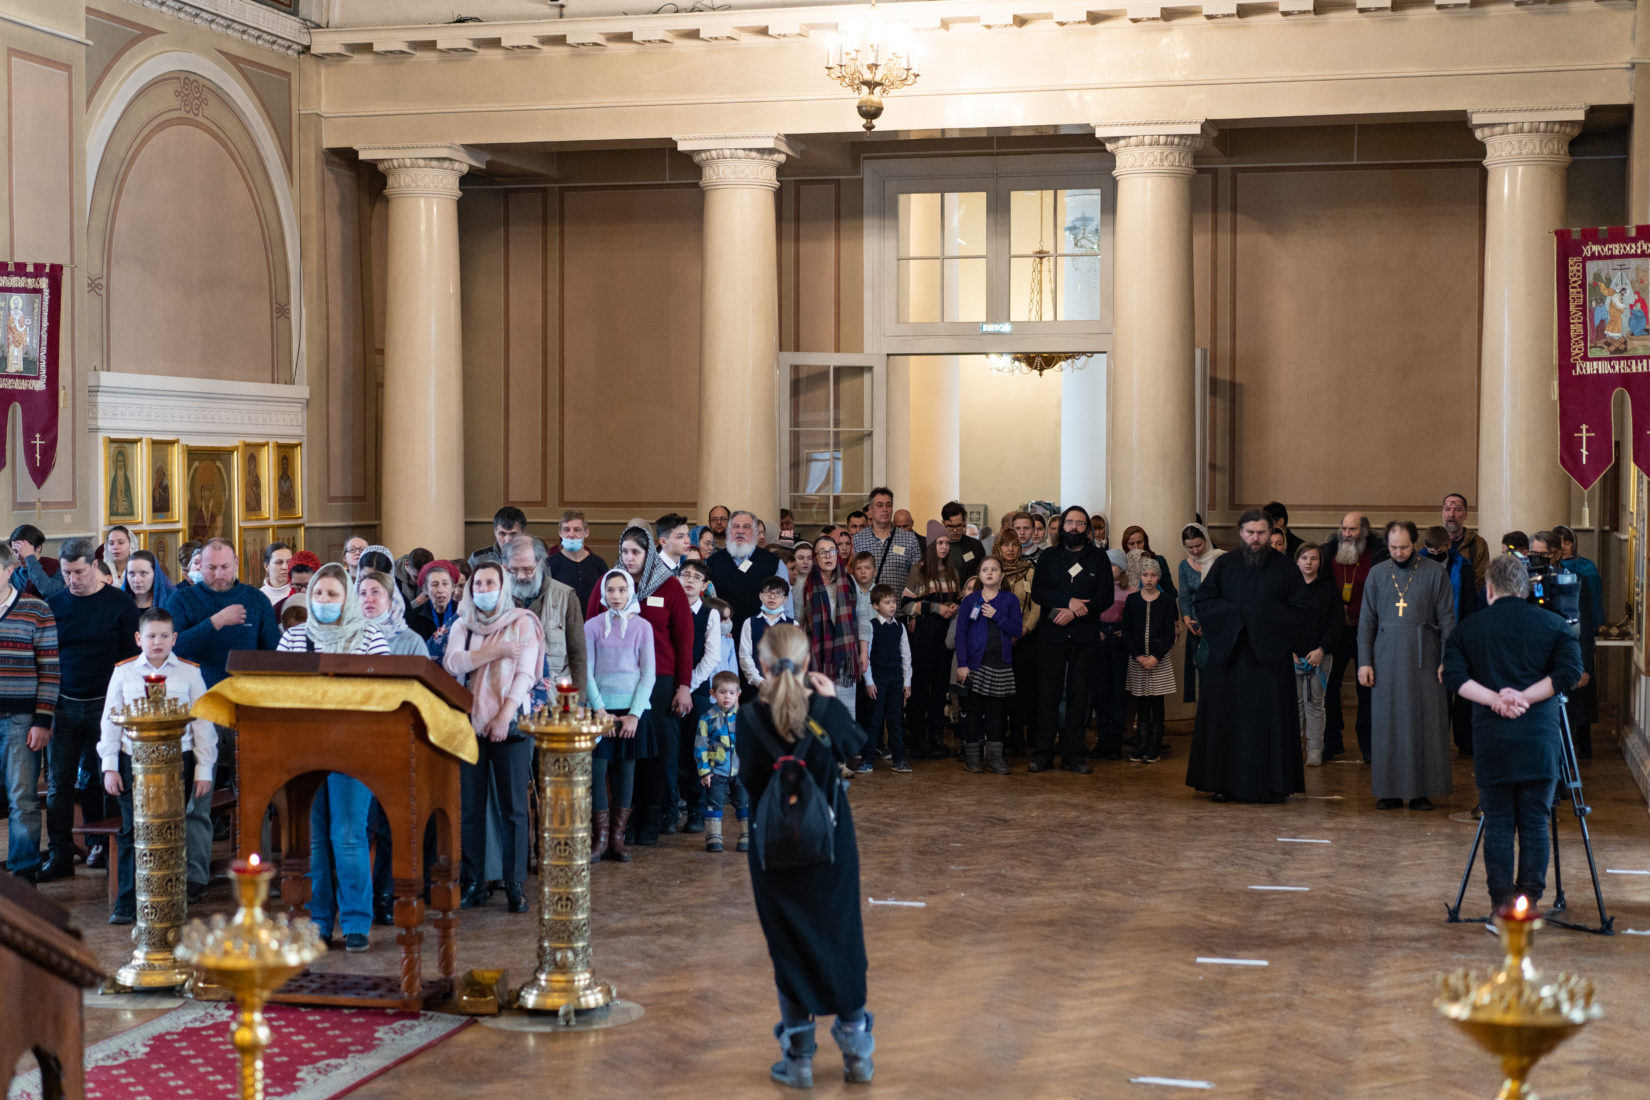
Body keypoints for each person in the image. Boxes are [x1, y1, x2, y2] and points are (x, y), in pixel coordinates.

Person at [736, 623, 874, 1089]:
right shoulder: (824, 708)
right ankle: (857, 1055)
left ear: (763, 664)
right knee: (843, 937)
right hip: (830, 844)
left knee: (788, 945)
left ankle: (798, 1060)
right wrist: (831, 701)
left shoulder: (749, 717)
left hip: (774, 848)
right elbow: (856, 747)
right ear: (808, 662)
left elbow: (751, 781)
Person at [1443, 554, 1585, 911]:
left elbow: (1453, 677)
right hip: (1539, 741)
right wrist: (1525, 697)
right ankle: (1529, 903)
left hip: (1493, 741)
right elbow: (1571, 671)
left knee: (1499, 825)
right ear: (1525, 589)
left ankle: (1502, 906)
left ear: (1489, 590)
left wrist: (1496, 699)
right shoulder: (1554, 625)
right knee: (1536, 824)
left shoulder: (1469, 629)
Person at [276, 563, 391, 951]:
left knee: (348, 835)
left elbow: (383, 690)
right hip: (304, 750)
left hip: (353, 747)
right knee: (314, 840)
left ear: (347, 600)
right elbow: (276, 688)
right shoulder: (293, 637)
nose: (324, 600)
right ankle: (319, 922)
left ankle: (356, 921)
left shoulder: (370, 635)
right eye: (319, 594)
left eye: (333, 594)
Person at [1185, 509, 1311, 803]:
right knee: (1226, 722)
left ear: (1271, 533)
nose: (1255, 538)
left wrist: (1258, 617)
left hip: (1270, 662)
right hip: (1230, 659)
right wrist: (1239, 616)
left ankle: (1273, 786)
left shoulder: (1286, 568)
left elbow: (1301, 611)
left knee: (1270, 724)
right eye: (1250, 532)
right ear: (1241, 533)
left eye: (1261, 533)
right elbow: (1204, 602)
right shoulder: (1225, 565)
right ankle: (1223, 784)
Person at [98, 608, 215, 920]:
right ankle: (128, 900)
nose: (158, 642)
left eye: (164, 636)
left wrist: (204, 768)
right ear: (139, 638)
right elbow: (110, 720)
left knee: (172, 828)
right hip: (133, 760)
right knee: (132, 828)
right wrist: (110, 765)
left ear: (174, 638)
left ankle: (168, 896)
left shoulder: (189, 672)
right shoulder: (124, 672)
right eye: (151, 636)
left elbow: (203, 723)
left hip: (178, 760)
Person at [442, 561, 544, 910]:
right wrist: (496, 651)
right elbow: (453, 664)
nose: (483, 590)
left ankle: (514, 883)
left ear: (503, 588)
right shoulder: (463, 623)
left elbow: (525, 674)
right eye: (478, 584)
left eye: (490, 584)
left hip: (510, 724)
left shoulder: (522, 621)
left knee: (513, 809)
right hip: (469, 723)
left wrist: (503, 716)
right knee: (470, 808)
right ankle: (474, 882)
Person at [38, 538, 140, 882]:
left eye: (79, 572)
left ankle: (105, 848)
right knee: (59, 784)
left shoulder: (120, 603)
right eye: (66, 573)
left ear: (94, 566)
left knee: (106, 778)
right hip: (64, 704)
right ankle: (60, 854)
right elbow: (46, 658)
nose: (72, 579)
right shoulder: (54, 605)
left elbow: (131, 660)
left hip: (106, 705)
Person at [595, 526, 692, 846]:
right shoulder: (609, 583)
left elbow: (684, 639)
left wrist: (684, 685)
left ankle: (652, 818)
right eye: (624, 551)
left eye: (636, 552)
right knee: (623, 753)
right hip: (616, 680)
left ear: (649, 554)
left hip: (659, 680)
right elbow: (592, 625)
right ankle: (623, 822)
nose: (629, 557)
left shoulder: (669, 585)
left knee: (656, 751)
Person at [1358, 521, 1456, 811]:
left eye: (1403, 547)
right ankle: (1388, 790)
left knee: (1423, 722)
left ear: (1415, 544)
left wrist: (1447, 659)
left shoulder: (1435, 572)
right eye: (1393, 547)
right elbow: (1366, 622)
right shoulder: (1377, 574)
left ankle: (1420, 792)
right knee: (1387, 723)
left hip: (1425, 656)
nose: (1398, 552)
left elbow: (1448, 619)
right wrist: (1364, 662)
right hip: (1385, 659)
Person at [1029, 506, 1112, 774]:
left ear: (1087, 528)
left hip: (1084, 636)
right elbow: (1039, 591)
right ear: (1062, 525)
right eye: (1070, 522)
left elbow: (1106, 596)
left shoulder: (1098, 558)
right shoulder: (1048, 556)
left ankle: (1073, 755)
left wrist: (1075, 611)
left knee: (1079, 696)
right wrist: (1069, 602)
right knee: (1047, 695)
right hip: (1051, 635)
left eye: (1080, 523)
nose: (1074, 527)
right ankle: (1043, 754)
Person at [584, 568, 657, 864]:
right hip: (600, 709)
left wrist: (635, 714)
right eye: (611, 590)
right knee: (596, 770)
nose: (616, 595)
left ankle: (617, 838)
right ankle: (600, 838)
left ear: (630, 592)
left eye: (622, 590)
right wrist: (599, 709)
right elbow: (586, 671)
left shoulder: (642, 627)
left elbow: (648, 674)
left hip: (632, 710)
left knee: (626, 772)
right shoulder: (591, 626)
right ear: (604, 593)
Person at [0, 542, 57, 884]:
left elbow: (50, 669)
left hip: (20, 720)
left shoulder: (36, 609)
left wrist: (42, 720)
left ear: (9, 570)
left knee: (22, 798)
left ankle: (23, 876)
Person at [1322, 512, 1385, 761]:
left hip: (1367, 631)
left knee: (1367, 688)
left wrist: (1355, 612)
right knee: (1329, 686)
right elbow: (1323, 590)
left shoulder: (1378, 555)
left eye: (1353, 529)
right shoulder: (1328, 553)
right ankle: (1331, 741)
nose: (1347, 534)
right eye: (1344, 528)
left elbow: (1381, 593)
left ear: (1364, 531)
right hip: (1335, 631)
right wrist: (1340, 614)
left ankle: (1369, 747)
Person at [954, 554, 1022, 775]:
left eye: (994, 569)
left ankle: (995, 759)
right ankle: (973, 758)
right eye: (985, 570)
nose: (990, 573)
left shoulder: (1009, 600)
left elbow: (1017, 630)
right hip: (975, 665)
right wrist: (962, 664)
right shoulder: (969, 601)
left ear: (1001, 575)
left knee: (996, 713)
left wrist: (996, 615)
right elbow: (961, 634)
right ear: (979, 575)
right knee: (973, 711)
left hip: (1000, 664)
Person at [1533, 530, 1597, 760]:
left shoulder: (1573, 581)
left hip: (1561, 662)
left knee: (1562, 723)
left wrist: (1584, 667)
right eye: (1534, 554)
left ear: (1557, 554)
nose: (1538, 560)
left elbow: (1584, 627)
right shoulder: (1522, 582)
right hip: (1532, 664)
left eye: (1544, 555)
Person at [900, 521, 960, 761]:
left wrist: (954, 607)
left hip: (946, 636)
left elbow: (957, 599)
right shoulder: (919, 570)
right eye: (940, 543)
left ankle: (936, 739)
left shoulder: (953, 571)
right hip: (925, 635)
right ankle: (918, 741)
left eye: (947, 543)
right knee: (921, 688)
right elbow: (906, 605)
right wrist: (935, 608)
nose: (944, 547)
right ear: (931, 545)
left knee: (940, 689)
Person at [676, 559, 723, 834]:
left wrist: (688, 685)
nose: (690, 580)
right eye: (685, 575)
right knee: (672, 749)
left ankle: (697, 808)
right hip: (670, 687)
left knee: (697, 748)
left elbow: (712, 656)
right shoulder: (670, 606)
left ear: (704, 585)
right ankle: (671, 806)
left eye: (696, 577)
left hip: (698, 688)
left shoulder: (709, 613)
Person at [706, 510, 793, 642]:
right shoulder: (713, 562)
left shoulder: (773, 563)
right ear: (729, 531)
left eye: (746, 527)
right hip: (723, 639)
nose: (740, 531)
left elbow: (786, 606)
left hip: (764, 640)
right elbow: (707, 604)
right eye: (736, 526)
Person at [1122, 557, 1177, 764]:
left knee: (1157, 701)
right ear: (1140, 576)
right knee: (1142, 701)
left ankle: (1155, 745)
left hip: (1158, 660)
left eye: (1153, 575)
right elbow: (1126, 631)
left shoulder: (1167, 601)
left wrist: (1155, 657)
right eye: (1145, 575)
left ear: (1158, 577)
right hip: (1138, 659)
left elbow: (1169, 633)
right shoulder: (1132, 600)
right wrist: (1138, 655)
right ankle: (1142, 744)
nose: (1149, 579)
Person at [801, 533, 861, 719]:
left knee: (845, 715)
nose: (828, 556)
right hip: (817, 658)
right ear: (815, 557)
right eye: (822, 552)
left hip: (845, 657)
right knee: (821, 715)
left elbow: (862, 618)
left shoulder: (850, 582)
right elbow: (798, 624)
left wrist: (864, 653)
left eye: (832, 551)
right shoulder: (805, 585)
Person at [1294, 543, 1342, 767]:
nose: (1309, 562)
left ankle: (1314, 749)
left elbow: (1336, 624)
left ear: (1320, 563)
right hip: (1293, 656)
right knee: (1295, 704)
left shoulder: (1329, 588)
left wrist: (1321, 650)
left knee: (1315, 703)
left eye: (1314, 558)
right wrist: (1290, 651)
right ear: (1297, 561)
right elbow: (1282, 622)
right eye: (1304, 558)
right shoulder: (1289, 588)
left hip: (1320, 655)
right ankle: (1293, 749)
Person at [994, 534, 1039, 757]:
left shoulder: (1029, 571)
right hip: (997, 638)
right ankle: (999, 738)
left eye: (1014, 545)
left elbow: (1036, 605)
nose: (1010, 549)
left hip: (1024, 639)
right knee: (999, 692)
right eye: (1005, 544)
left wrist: (1024, 629)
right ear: (998, 547)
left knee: (1021, 692)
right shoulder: (992, 570)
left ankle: (1019, 739)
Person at [694, 670, 749, 853]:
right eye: (722, 692)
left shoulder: (743, 717)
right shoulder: (707, 718)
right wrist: (704, 771)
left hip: (740, 771)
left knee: (743, 802)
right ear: (713, 693)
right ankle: (714, 836)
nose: (727, 696)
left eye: (731, 693)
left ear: (738, 694)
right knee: (714, 803)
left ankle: (747, 834)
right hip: (716, 772)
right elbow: (700, 746)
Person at [859, 584, 911, 773]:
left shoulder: (900, 627)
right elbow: (866, 657)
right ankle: (867, 760)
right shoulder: (871, 626)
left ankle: (900, 760)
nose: (892, 606)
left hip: (896, 680)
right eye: (887, 602)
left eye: (894, 602)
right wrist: (869, 682)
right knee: (874, 720)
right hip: (877, 680)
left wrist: (907, 682)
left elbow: (906, 655)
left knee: (896, 720)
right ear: (875, 605)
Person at [1177, 523, 1223, 706]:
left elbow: (1226, 594)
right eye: (1190, 547)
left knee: (1218, 673)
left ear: (1206, 540)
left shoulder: (1220, 559)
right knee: (1199, 671)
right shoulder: (1184, 565)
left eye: (1198, 545)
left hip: (1217, 624)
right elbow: (1184, 596)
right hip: (1195, 626)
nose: (1195, 550)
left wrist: (1211, 622)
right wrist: (1187, 620)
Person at [852, 488, 922, 593]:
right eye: (880, 505)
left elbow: (918, 577)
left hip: (899, 602)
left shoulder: (909, 539)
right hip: (866, 602)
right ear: (871, 509)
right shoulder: (857, 540)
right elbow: (851, 575)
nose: (885, 509)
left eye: (888, 505)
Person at [739, 576, 796, 690]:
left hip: (784, 686)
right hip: (755, 686)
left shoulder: (793, 625)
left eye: (778, 593)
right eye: (768, 592)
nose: (772, 596)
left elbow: (796, 656)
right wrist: (758, 681)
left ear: (785, 599)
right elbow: (744, 655)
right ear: (760, 596)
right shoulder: (750, 622)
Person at [358, 570, 429, 657]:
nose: (368, 599)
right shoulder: (349, 637)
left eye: (375, 592)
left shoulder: (412, 642)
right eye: (363, 593)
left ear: (391, 600)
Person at [1441, 492, 1491, 599]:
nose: (1451, 514)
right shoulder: (1429, 542)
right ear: (1442, 513)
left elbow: (1480, 580)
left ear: (1465, 514)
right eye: (1447, 509)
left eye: (1457, 510)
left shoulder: (1478, 544)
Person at [408, 559, 461, 656]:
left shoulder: (462, 614)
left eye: (445, 584)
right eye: (434, 585)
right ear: (425, 589)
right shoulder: (415, 617)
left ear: (453, 587)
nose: (440, 590)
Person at [1118, 526, 1177, 603]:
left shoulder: (1158, 560)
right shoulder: (1122, 564)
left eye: (1139, 542)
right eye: (1131, 544)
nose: (1136, 547)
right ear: (1125, 545)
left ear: (1145, 542)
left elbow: (1169, 591)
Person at [941, 501, 987, 585]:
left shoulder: (975, 546)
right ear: (943, 523)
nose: (955, 530)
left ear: (964, 523)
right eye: (950, 526)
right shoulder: (933, 546)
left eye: (958, 526)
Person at [10, 523, 61, 598]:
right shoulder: (14, 574)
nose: (18, 557)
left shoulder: (55, 567)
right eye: (15, 551)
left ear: (38, 548)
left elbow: (49, 592)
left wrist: (29, 558)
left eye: (24, 550)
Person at [469, 506, 527, 571]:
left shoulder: (534, 558)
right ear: (495, 532)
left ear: (523, 533)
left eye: (513, 534)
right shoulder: (477, 560)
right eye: (502, 534)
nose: (507, 540)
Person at [104, 526, 135, 591]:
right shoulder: (102, 571)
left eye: (120, 543)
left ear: (131, 544)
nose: (115, 547)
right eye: (111, 543)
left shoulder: (138, 570)